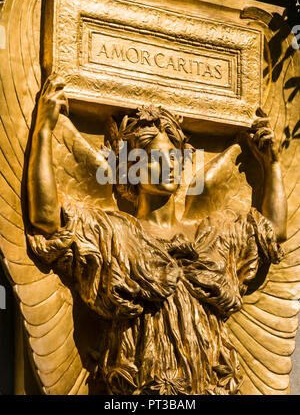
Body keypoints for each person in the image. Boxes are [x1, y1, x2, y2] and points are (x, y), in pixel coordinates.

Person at [27, 75, 287, 395]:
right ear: (130, 168)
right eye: (154, 158)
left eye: (175, 158)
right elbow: (46, 219)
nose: (169, 166)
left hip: (207, 382)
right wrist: (43, 130)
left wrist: (272, 164)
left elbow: (273, 231)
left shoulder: (210, 236)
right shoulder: (114, 233)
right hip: (139, 387)